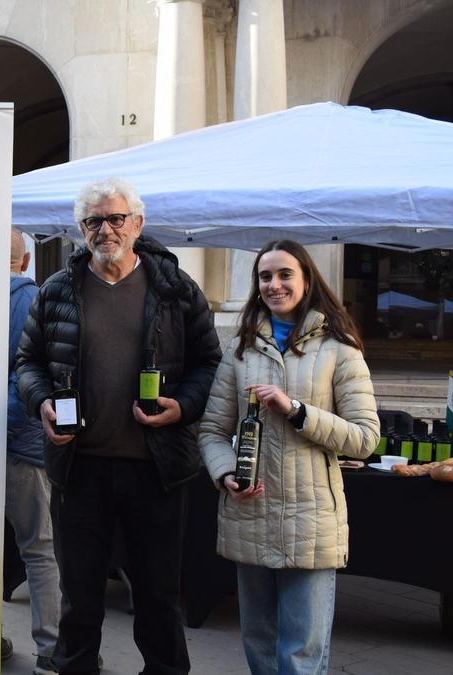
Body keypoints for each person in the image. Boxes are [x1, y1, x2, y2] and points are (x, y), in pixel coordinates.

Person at [15, 177, 221, 675]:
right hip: (80, 468)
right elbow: (27, 362)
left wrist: (182, 407)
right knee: (79, 596)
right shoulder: (57, 290)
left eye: (115, 218)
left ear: (137, 224)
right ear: (81, 229)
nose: (105, 230)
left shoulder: (175, 289)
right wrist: (42, 402)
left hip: (156, 469)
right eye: (93, 221)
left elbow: (209, 364)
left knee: (158, 596)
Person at [198, 240, 379, 675]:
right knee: (259, 645)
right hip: (250, 515)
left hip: (310, 521)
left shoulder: (340, 348)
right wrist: (226, 473)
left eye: (284, 275)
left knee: (300, 654)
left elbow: (365, 438)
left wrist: (297, 411)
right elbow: (212, 431)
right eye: (265, 277)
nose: (274, 285)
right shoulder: (241, 350)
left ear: (307, 280)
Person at [4, 228, 60, 672]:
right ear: (25, 262)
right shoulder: (38, 301)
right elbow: (42, 376)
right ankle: (51, 646)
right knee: (40, 548)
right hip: (23, 445)